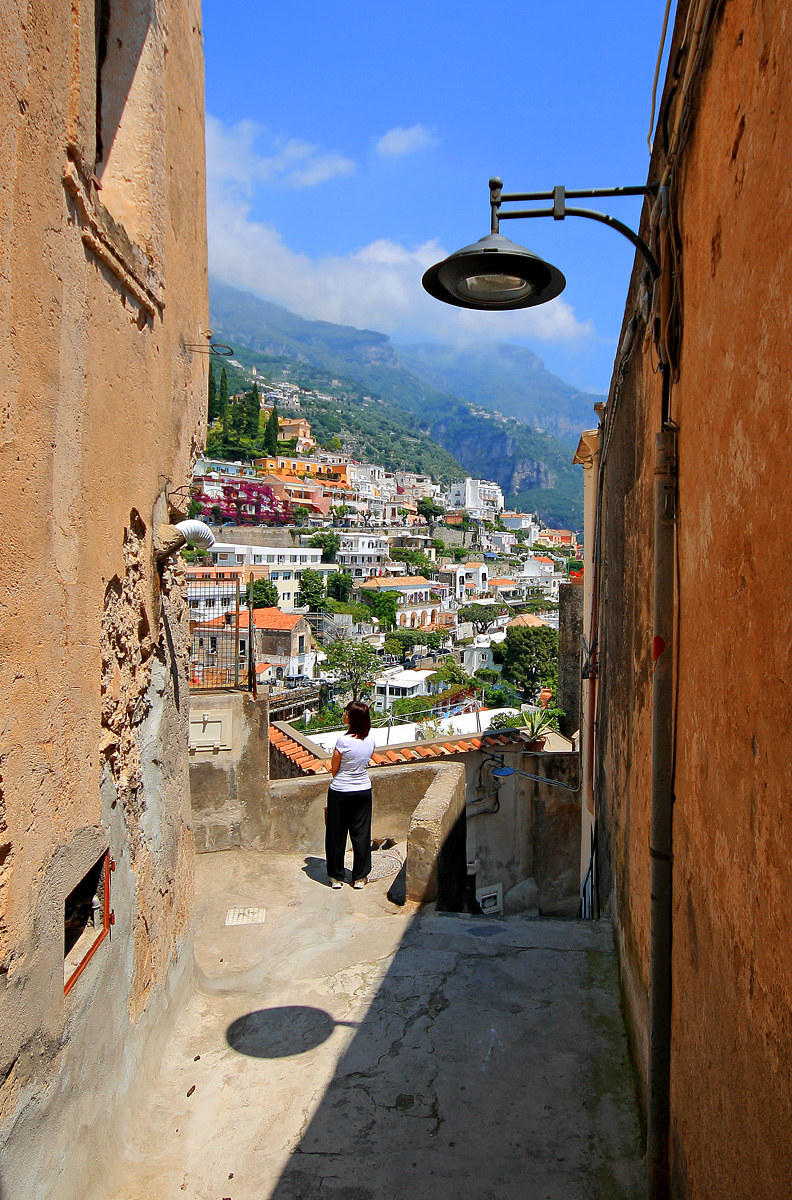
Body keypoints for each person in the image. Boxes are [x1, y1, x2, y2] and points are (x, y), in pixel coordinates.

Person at [326, 701, 375, 889]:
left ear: (352, 718)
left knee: (336, 834)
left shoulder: (343, 741)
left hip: (340, 791)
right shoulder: (370, 740)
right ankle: (360, 876)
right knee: (361, 833)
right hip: (363, 790)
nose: (344, 714)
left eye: (347, 712)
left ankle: (336, 876)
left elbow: (334, 768)